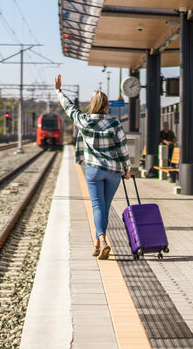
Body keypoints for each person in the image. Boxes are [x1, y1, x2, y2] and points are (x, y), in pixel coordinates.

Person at [55, 74, 131, 260]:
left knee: (97, 206)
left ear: (92, 104)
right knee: (104, 206)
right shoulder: (114, 122)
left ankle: (101, 241)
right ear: (106, 105)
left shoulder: (83, 120)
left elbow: (68, 107)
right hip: (112, 171)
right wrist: (127, 169)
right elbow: (123, 147)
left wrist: (58, 91)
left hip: (93, 171)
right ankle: (99, 242)